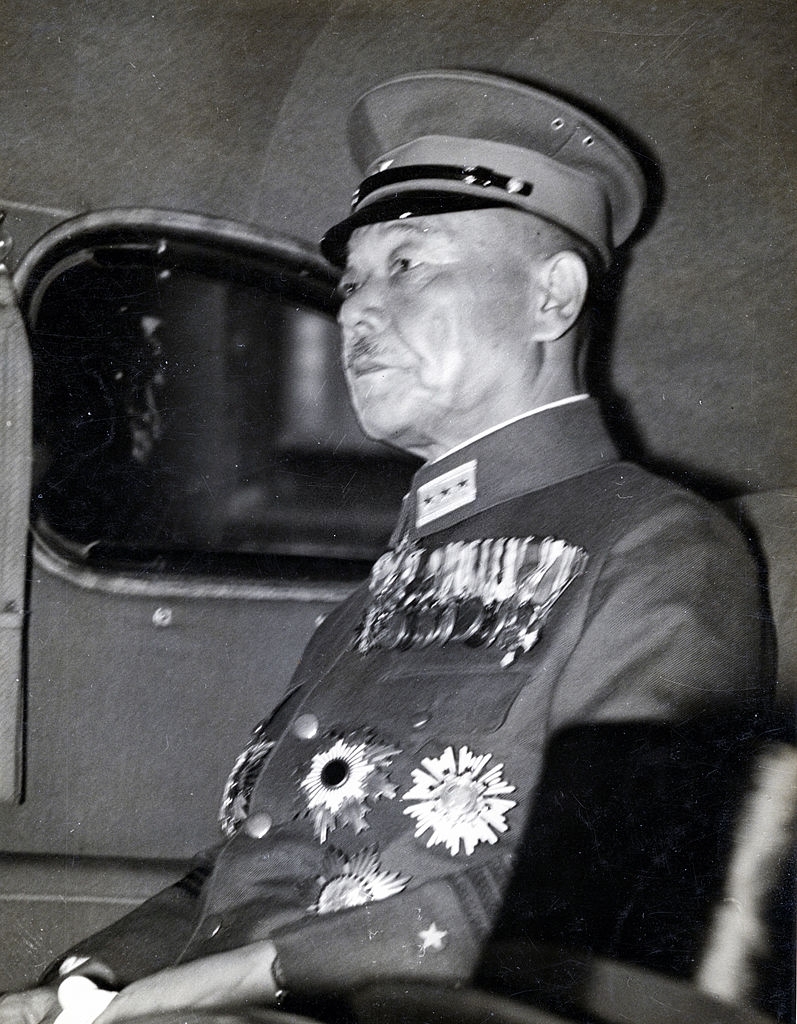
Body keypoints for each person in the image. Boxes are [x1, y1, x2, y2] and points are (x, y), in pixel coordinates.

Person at [1, 69, 771, 1024]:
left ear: (550, 296)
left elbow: (614, 896)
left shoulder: (657, 548)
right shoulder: (371, 603)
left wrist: (225, 984)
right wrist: (79, 986)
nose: (354, 310)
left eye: (407, 265)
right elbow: (241, 876)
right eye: (353, 280)